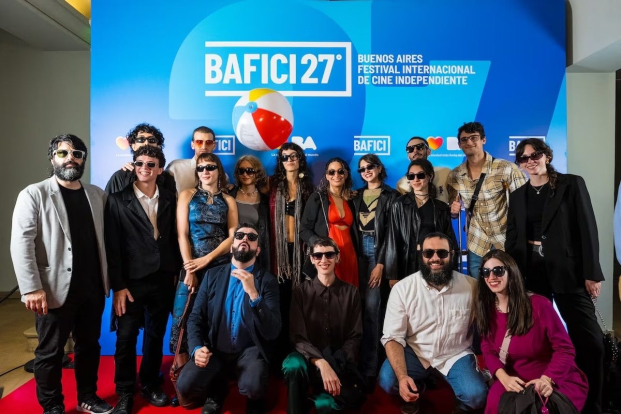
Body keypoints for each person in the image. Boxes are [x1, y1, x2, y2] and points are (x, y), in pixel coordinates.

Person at [11, 134, 112, 414]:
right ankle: (52, 405)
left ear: (83, 160)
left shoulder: (97, 195)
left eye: (77, 154)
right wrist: (31, 288)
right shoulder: (34, 194)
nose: (71, 158)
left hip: (92, 287)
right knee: (50, 352)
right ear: (52, 157)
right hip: (52, 289)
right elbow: (21, 243)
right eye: (63, 153)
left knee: (89, 346)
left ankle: (87, 397)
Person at [505, 138, 604, 413]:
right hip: (531, 273)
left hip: (568, 272)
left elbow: (588, 229)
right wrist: (513, 277)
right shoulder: (518, 196)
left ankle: (592, 404)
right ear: (520, 164)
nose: (530, 161)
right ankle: (549, 401)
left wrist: (592, 273)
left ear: (546, 156)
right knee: (540, 342)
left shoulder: (571, 184)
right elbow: (512, 238)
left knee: (590, 342)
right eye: (524, 158)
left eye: (535, 154)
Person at [104, 146, 181, 414]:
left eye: (150, 164)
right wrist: (118, 286)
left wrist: (175, 273)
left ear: (160, 169)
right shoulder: (116, 200)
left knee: (155, 335)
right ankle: (125, 392)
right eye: (139, 163)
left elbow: (173, 238)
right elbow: (112, 247)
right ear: (134, 166)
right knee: (125, 337)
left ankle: (149, 383)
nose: (144, 168)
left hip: (163, 278)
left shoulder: (170, 197)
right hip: (131, 282)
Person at [176, 223, 281, 414]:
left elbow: (272, 330)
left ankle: (253, 398)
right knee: (185, 385)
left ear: (258, 250)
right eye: (239, 236)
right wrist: (196, 349)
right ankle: (218, 388)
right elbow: (195, 318)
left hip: (249, 350)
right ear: (232, 246)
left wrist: (254, 295)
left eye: (251, 238)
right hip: (215, 350)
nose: (244, 239)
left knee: (254, 386)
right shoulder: (212, 275)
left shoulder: (267, 281)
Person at [379, 232, 487, 413]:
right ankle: (416, 389)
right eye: (428, 253)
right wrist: (403, 376)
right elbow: (392, 337)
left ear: (452, 255)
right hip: (416, 352)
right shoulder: (402, 289)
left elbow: (490, 323)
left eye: (442, 253)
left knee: (476, 397)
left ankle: (460, 407)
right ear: (421, 255)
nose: (435, 258)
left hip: (455, 354)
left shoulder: (472, 287)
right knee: (388, 381)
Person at [475, 250, 588, 414]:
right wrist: (504, 378)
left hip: (552, 375)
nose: (491, 277)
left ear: (511, 271)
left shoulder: (539, 305)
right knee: (495, 403)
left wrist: (547, 379)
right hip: (514, 377)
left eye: (498, 270)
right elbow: (488, 350)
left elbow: (565, 349)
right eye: (486, 272)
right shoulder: (486, 309)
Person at [283, 237, 363, 414]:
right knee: (292, 364)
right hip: (307, 360)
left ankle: (317, 397)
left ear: (337, 257)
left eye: (329, 255)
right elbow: (297, 336)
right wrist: (321, 362)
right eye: (318, 255)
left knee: (325, 405)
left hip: (338, 363)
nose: (323, 260)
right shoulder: (300, 292)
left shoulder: (352, 293)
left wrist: (335, 365)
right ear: (312, 259)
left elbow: (355, 336)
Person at [171, 153, 238, 356]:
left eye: (210, 167)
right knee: (182, 318)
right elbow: (182, 235)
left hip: (220, 267)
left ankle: (213, 364)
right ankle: (182, 369)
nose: (205, 171)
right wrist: (190, 268)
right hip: (191, 266)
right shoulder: (187, 195)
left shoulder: (228, 200)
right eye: (200, 168)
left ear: (219, 170)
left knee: (217, 317)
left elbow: (233, 237)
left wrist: (208, 259)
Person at [446, 122, 527, 278]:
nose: (469, 142)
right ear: (459, 144)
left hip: (505, 240)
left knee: (510, 286)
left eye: (474, 138)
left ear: (483, 140)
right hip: (477, 242)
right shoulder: (455, 175)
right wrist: (454, 212)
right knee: (479, 288)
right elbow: (453, 208)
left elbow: (523, 204)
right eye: (464, 139)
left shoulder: (506, 168)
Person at [352, 154, 398, 387]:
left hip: (378, 251)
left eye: (370, 167)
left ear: (379, 168)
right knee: (357, 308)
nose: (366, 171)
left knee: (372, 309)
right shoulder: (355, 195)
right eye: (362, 169)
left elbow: (392, 233)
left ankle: (371, 368)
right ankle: (355, 363)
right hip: (356, 252)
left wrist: (381, 264)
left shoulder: (392, 196)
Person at [268, 142, 314, 364]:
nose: (289, 160)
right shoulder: (271, 185)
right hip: (278, 253)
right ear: (280, 161)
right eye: (285, 157)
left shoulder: (308, 188)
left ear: (300, 159)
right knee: (279, 303)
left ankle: (299, 352)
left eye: (293, 155)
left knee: (298, 303)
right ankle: (278, 354)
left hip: (300, 252)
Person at [385, 159, 457, 285]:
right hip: (406, 264)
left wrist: (451, 270)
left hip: (434, 264)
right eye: (411, 176)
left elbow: (449, 241)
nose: (416, 179)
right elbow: (393, 240)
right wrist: (393, 274)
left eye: (421, 175)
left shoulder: (441, 207)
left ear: (430, 177)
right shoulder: (399, 205)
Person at [300, 157, 360, 286]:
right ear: (327, 176)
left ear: (346, 174)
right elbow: (304, 230)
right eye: (332, 172)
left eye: (340, 171)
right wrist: (321, 247)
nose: (336, 175)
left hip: (350, 254)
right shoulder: (317, 198)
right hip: (328, 257)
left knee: (348, 292)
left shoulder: (352, 199)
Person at [105, 123, 176, 194]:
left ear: (158, 146)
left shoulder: (168, 179)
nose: (146, 143)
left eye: (152, 140)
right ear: (133, 146)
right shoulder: (120, 177)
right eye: (141, 139)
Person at [228, 155, 271, 270]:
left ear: (257, 173)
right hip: (231, 251)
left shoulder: (266, 200)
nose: (245, 174)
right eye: (241, 171)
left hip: (255, 253)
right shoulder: (229, 194)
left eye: (249, 171)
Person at [396, 136, 451, 203]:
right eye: (410, 149)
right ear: (408, 156)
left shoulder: (445, 172)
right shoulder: (401, 184)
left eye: (420, 147)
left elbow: (455, 201)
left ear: (428, 151)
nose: (415, 151)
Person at [166, 125, 220, 194]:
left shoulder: (221, 174)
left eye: (208, 142)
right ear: (192, 145)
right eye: (199, 142)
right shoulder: (175, 167)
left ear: (214, 145)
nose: (204, 147)